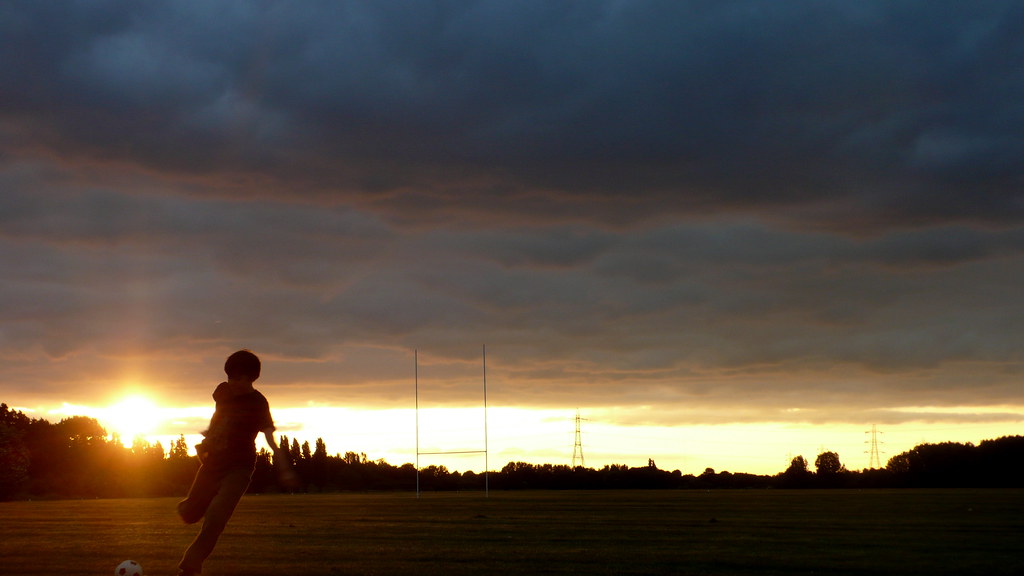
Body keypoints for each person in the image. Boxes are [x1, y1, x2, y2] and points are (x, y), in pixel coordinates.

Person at [176, 349, 298, 576]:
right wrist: (209, 437)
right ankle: (188, 506)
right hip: (212, 463)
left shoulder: (259, 403)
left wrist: (284, 468)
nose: (232, 382)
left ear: (251, 378)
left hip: (239, 468)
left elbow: (270, 439)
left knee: (216, 517)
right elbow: (220, 417)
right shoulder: (222, 391)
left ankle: (190, 567)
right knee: (189, 514)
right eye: (230, 377)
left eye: (238, 378)